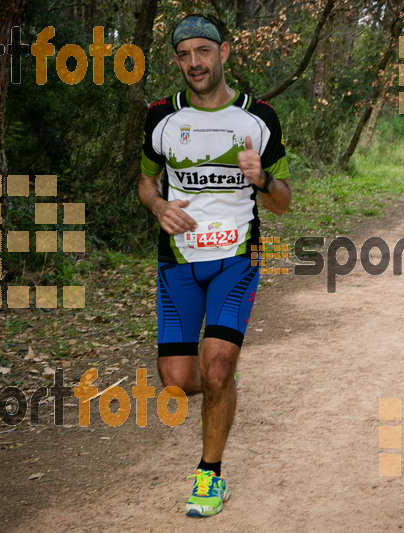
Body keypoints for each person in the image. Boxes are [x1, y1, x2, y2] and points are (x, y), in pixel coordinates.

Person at [138, 13, 291, 518]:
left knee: (218, 368)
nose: (194, 63)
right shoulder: (161, 116)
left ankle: (210, 477)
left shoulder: (259, 118)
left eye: (203, 51)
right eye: (183, 55)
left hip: (236, 258)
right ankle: (220, 383)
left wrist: (263, 179)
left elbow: (283, 202)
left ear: (224, 53)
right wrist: (159, 207)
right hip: (178, 262)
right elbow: (144, 182)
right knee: (178, 383)